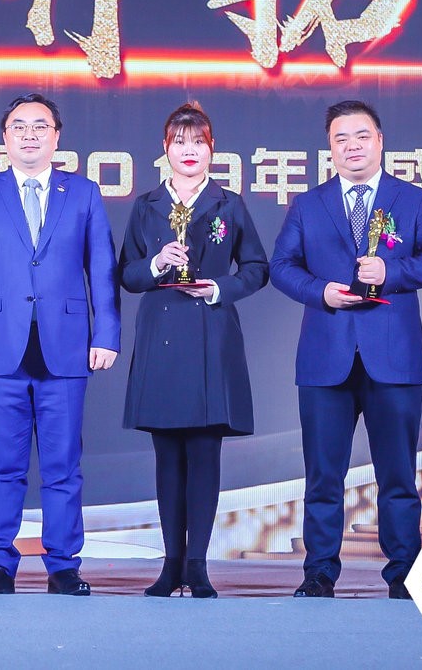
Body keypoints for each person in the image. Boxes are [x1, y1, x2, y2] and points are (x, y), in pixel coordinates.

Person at [269, 99, 422, 600]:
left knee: (398, 475)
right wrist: (320, 292)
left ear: (380, 141)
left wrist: (392, 271)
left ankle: (404, 574)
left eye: (362, 136)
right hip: (326, 356)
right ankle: (319, 572)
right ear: (330, 148)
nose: (352, 147)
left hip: (393, 357)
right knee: (323, 476)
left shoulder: (413, 199)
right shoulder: (308, 203)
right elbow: (280, 266)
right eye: (341, 139)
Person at [0, 93, 120, 596]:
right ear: (4, 138)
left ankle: (63, 565)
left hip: (65, 347)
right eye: (18, 126)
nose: (29, 134)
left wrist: (106, 332)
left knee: (63, 464)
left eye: (40, 126)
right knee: (4, 463)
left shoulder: (83, 193)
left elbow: (102, 270)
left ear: (56, 136)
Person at [119, 102, 268, 599]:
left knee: (205, 453)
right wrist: (157, 263)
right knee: (167, 457)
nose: (189, 151)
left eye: (198, 142)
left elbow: (257, 268)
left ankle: (199, 565)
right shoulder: (146, 205)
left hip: (210, 331)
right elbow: (127, 273)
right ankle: (171, 565)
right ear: (164, 149)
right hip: (161, 336)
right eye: (180, 142)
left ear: (212, 149)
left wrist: (218, 288)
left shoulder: (229, 204)